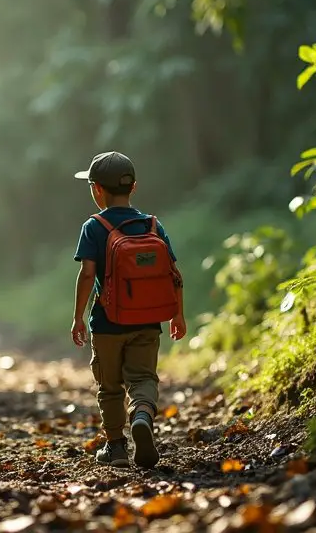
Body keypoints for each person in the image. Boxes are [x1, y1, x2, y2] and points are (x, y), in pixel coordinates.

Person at [70, 151, 186, 469]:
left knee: (110, 386)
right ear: (133, 187)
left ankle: (117, 448)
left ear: (97, 190)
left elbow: (88, 274)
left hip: (107, 323)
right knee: (144, 378)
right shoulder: (151, 224)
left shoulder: (94, 226)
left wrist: (78, 317)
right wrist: (178, 314)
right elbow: (174, 273)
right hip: (148, 321)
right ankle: (143, 418)